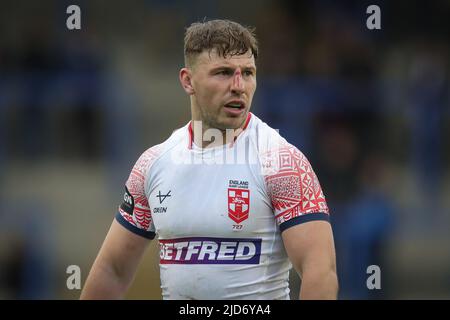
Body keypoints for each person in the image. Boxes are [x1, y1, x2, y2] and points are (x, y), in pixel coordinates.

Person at [80, 19, 338, 300]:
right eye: (224, 73)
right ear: (188, 81)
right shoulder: (152, 165)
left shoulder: (281, 162)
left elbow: (320, 271)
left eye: (248, 73)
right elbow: (113, 270)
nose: (239, 86)